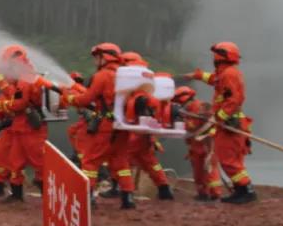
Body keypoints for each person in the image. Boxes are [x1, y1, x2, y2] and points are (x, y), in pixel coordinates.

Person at [60, 42, 137, 209]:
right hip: (123, 126)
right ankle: (128, 198)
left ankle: (88, 198)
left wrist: (70, 98)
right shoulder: (126, 76)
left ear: (105, 57)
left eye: (97, 58)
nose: (95, 61)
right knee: (121, 162)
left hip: (106, 126)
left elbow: (86, 99)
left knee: (90, 161)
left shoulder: (103, 76)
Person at [0, 45, 52, 203]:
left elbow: (19, 104)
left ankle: (48, 195)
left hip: (31, 128)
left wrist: (1, 106)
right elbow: (9, 93)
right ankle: (16, 195)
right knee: (15, 161)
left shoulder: (25, 79)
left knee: (39, 161)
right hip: (20, 127)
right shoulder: (20, 79)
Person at [191, 42, 257, 204]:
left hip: (231, 124)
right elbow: (215, 80)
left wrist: (218, 117)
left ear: (220, 57)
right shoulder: (226, 73)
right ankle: (241, 190)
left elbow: (234, 100)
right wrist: (199, 76)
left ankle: (246, 190)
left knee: (229, 160)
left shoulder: (229, 74)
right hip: (229, 123)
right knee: (230, 159)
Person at [108, 52, 174, 200]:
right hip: (145, 134)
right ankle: (164, 188)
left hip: (133, 133)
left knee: (119, 159)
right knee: (150, 161)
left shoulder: (136, 95)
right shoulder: (148, 92)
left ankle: (119, 188)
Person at [173, 86, 222, 201]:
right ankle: (202, 193)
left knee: (210, 169)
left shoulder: (202, 107)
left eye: (181, 103)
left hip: (207, 143)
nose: (181, 106)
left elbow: (196, 126)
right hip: (195, 146)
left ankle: (215, 194)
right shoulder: (186, 111)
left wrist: (184, 122)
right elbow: (190, 130)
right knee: (198, 171)